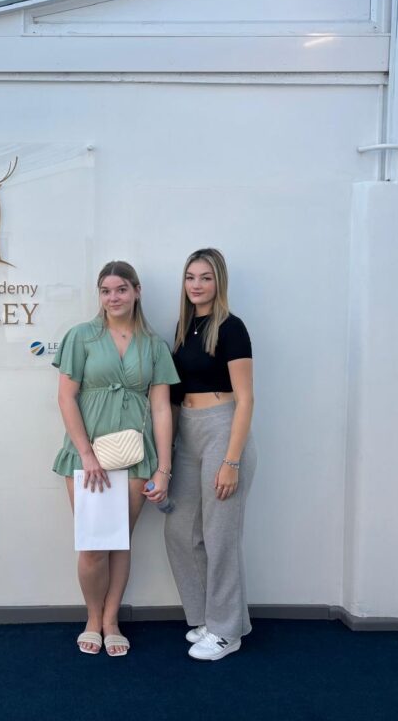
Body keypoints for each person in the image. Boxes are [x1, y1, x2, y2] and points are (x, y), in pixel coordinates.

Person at [52, 261, 179, 656]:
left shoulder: (155, 345)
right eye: (106, 290)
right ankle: (92, 617)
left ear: (137, 291)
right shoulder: (81, 337)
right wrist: (87, 455)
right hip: (87, 457)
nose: (113, 297)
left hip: (138, 457)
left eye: (121, 289)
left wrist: (164, 467)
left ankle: (111, 620)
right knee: (93, 545)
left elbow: (161, 408)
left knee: (119, 541)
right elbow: (65, 397)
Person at [165, 248, 255, 661]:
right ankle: (212, 617)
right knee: (181, 531)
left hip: (222, 428)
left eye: (205, 277)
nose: (196, 285)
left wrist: (231, 460)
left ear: (219, 282)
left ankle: (226, 632)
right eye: (190, 277)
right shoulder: (185, 329)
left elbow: (246, 398)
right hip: (187, 432)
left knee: (220, 537)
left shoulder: (231, 327)